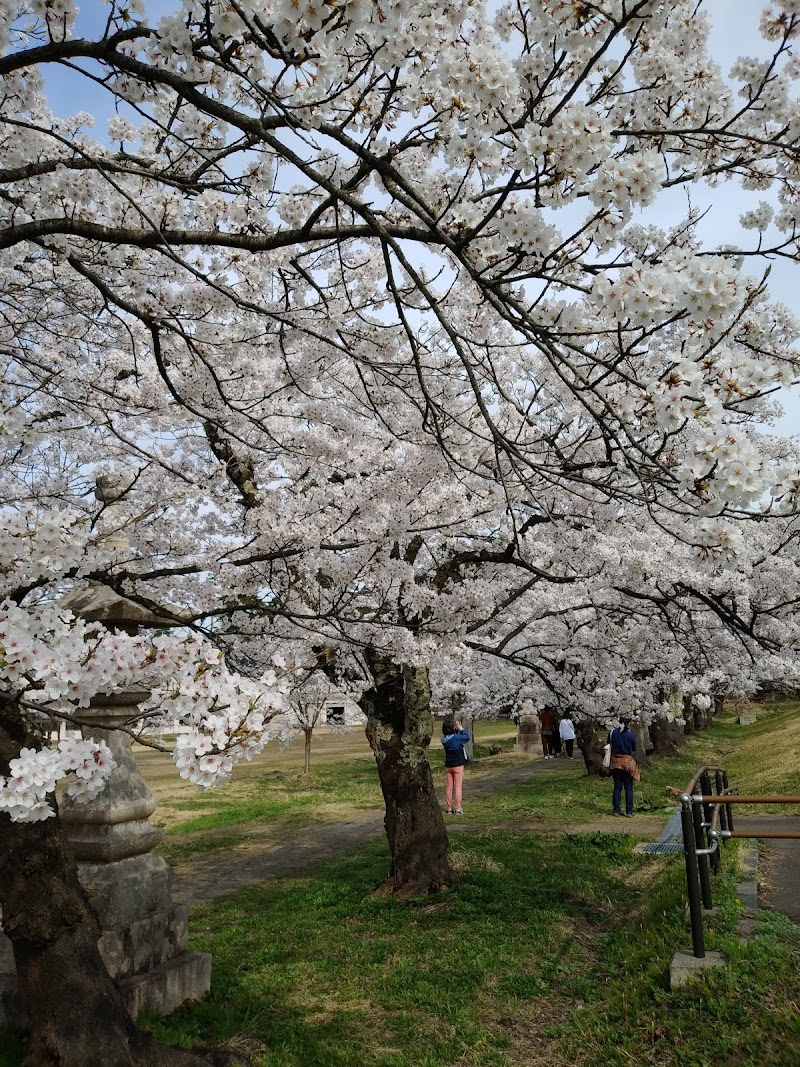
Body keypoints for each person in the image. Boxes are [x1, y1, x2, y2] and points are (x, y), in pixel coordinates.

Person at [609, 716, 640, 817]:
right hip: (627, 763)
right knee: (628, 788)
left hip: (615, 762)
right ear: (629, 723)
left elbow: (609, 744)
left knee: (617, 787)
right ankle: (629, 811)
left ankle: (616, 810)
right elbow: (634, 748)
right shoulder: (631, 735)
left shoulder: (612, 733)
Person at [441, 716, 470, 814]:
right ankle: (458, 807)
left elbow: (452, 737)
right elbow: (466, 737)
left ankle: (449, 807)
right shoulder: (457, 738)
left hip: (449, 766)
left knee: (449, 787)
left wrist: (455, 729)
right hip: (458, 765)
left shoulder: (443, 739)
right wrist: (460, 728)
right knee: (458, 786)